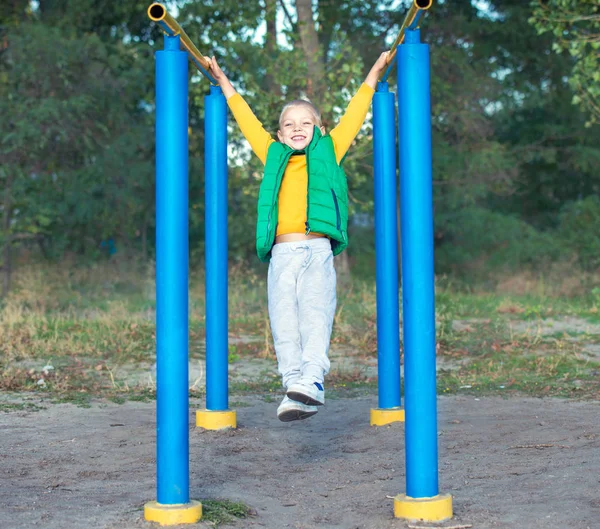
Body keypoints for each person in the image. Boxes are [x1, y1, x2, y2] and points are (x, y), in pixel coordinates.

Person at [208, 51, 390, 422]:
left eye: (305, 122)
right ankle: (294, 386)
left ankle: (313, 380)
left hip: (316, 251)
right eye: (289, 123)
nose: (296, 127)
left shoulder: (329, 151)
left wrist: (374, 73)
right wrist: (224, 83)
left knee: (314, 317)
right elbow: (246, 121)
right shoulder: (273, 155)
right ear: (279, 134)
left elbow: (355, 112)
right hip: (282, 255)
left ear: (319, 130)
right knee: (284, 323)